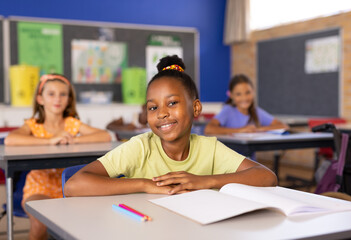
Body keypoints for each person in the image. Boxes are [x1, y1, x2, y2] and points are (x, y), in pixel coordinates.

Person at [64, 55, 277, 198]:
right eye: (153, 107)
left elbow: (267, 177)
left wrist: (204, 181)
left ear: (195, 108)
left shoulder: (209, 149)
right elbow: (74, 185)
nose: (162, 113)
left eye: (172, 103)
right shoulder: (140, 147)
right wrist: (145, 184)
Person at [4, 73, 111, 240]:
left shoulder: (71, 124)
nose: (58, 99)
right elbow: (11, 140)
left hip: (70, 186)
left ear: (69, 99)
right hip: (39, 186)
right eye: (51, 94)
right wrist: (49, 140)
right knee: (39, 224)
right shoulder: (33, 125)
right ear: (40, 99)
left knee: (88, 222)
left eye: (63, 94)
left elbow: (104, 136)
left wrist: (74, 140)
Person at [204, 74, 289, 135]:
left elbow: (284, 126)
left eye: (248, 92)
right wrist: (240, 130)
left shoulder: (256, 112)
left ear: (253, 92)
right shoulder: (228, 110)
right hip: (231, 159)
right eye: (238, 94)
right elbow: (208, 129)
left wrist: (258, 129)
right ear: (231, 95)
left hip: (249, 159)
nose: (244, 98)